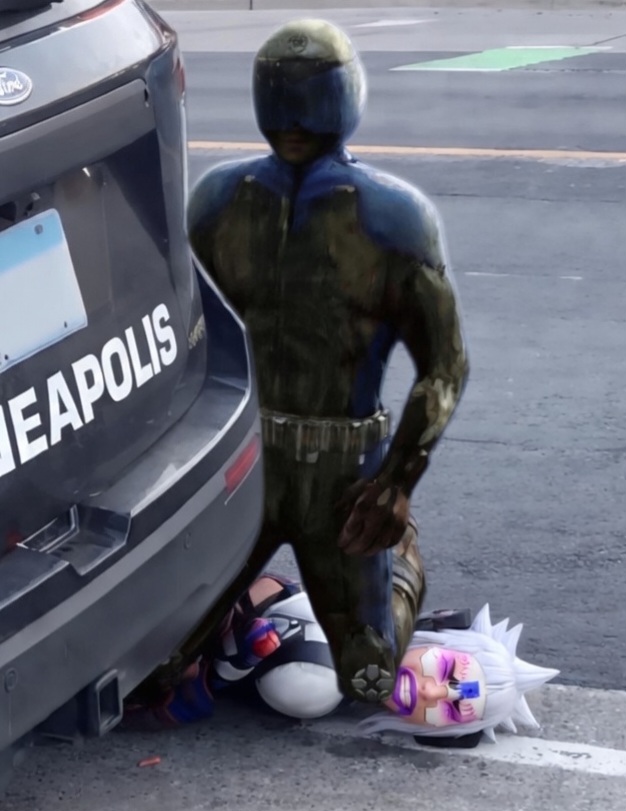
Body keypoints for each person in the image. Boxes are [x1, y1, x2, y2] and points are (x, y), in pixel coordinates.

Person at [161, 16, 469, 706]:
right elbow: (179, 336)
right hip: (244, 460)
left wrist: (395, 484)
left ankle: (399, 564)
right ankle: (251, 604)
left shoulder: (391, 218)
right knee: (155, 666)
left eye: (307, 96)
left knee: (368, 675)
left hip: (334, 472)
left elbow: (444, 365)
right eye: (283, 96)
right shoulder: (220, 204)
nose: (293, 118)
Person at [123, 573, 558, 747]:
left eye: (451, 708)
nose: (430, 690)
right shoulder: (370, 610)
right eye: (444, 671)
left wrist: (233, 662)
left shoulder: (319, 689)